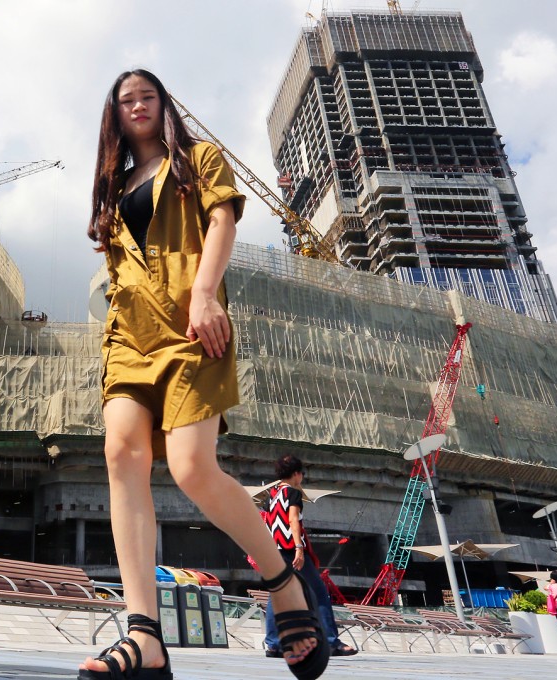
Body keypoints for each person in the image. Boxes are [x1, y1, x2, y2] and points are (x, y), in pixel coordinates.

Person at [78, 69, 328, 680]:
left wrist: (206, 295)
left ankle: (283, 582)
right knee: (120, 457)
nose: (137, 105)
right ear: (114, 115)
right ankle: (143, 633)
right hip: (128, 337)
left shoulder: (198, 158)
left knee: (192, 466)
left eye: (147, 96)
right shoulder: (111, 188)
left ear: (163, 105)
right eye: (125, 100)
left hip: (192, 325)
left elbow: (223, 223)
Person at [263, 455, 357, 658]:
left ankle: (273, 644)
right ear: (296, 474)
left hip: (274, 551)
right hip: (291, 550)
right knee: (319, 594)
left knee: (277, 595)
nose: (302, 478)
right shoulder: (293, 493)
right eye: (301, 474)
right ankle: (331, 642)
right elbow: (293, 520)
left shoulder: (272, 495)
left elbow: (269, 523)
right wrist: (298, 548)